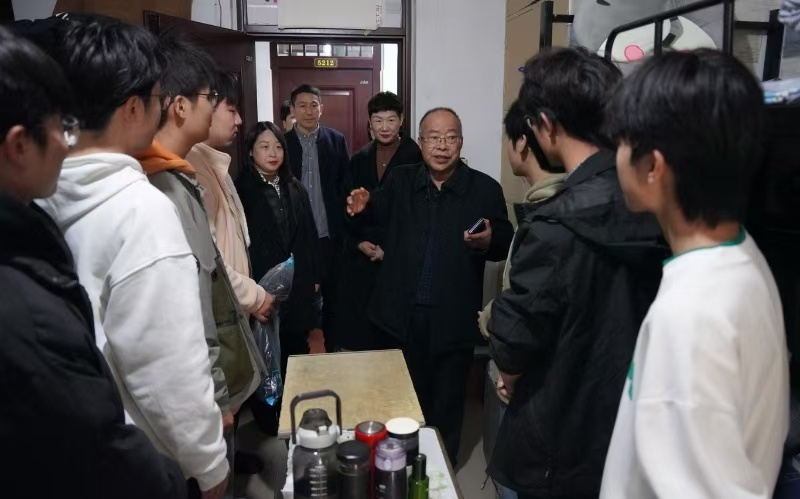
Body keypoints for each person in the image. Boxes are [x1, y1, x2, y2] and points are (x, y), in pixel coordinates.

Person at [29, 15, 229, 499]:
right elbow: (169, 371)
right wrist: (210, 465)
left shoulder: (39, 192)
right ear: (134, 107)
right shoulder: (141, 211)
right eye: (158, 99)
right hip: (146, 462)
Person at [0, 25, 186, 499]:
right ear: (18, 145)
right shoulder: (144, 210)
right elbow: (161, 371)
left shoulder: (35, 215)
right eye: (62, 126)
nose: (68, 143)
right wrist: (192, 471)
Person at [600, 49, 789, 499]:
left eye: (621, 143)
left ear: (653, 167)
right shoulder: (741, 256)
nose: (615, 156)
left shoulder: (690, 315)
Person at [485, 47, 667, 499]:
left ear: (546, 125)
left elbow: (516, 339)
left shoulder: (556, 222)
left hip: (559, 435)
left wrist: (509, 371)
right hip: (634, 424)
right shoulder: (653, 197)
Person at [133, 35, 269, 498]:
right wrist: (214, 394)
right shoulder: (160, 187)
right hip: (194, 383)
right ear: (178, 106)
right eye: (213, 99)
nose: (222, 111)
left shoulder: (185, 172)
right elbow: (190, 306)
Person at [346, 107, 514, 465]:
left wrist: (490, 240)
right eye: (434, 138)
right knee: (401, 399)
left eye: (450, 138)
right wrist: (364, 203)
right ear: (420, 142)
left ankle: (441, 469)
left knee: (447, 403)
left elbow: (504, 240)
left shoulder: (484, 188)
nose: (442, 146)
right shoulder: (401, 180)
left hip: (452, 317)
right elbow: (376, 209)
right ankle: (401, 466)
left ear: (461, 142)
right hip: (399, 316)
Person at [186, 72, 289, 497]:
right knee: (220, 398)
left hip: (234, 304)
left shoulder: (215, 163)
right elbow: (210, 260)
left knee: (232, 395)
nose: (238, 118)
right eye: (229, 107)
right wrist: (255, 295)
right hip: (224, 304)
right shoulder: (192, 169)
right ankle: (218, 469)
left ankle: (228, 457)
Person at [478, 99, 567, 499]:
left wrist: (494, 319)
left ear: (523, 144)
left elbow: (533, 305)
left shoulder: (549, 216)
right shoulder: (546, 205)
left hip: (530, 380)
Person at [336, 91, 422, 351]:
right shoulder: (359, 158)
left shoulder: (416, 158)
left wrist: (390, 249)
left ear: (401, 121)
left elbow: (416, 215)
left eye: (391, 120)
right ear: (370, 123)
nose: (385, 127)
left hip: (399, 257)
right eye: (378, 120)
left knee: (395, 340)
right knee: (363, 335)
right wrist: (358, 243)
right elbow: (346, 207)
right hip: (363, 257)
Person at [236, 121, 323, 374]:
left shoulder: (295, 187)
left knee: (295, 354)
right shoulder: (242, 190)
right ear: (251, 151)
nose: (273, 153)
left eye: (278, 147)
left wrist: (314, 278)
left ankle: (295, 395)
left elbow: (309, 236)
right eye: (264, 147)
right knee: (265, 359)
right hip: (262, 287)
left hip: (297, 288)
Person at [286, 84, 350, 348]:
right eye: (302, 105)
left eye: (314, 105)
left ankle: (334, 348)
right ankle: (298, 353)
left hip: (328, 235)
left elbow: (345, 185)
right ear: (293, 110)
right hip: (296, 239)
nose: (309, 111)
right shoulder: (282, 143)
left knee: (335, 298)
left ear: (321, 108)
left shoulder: (336, 140)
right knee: (298, 300)